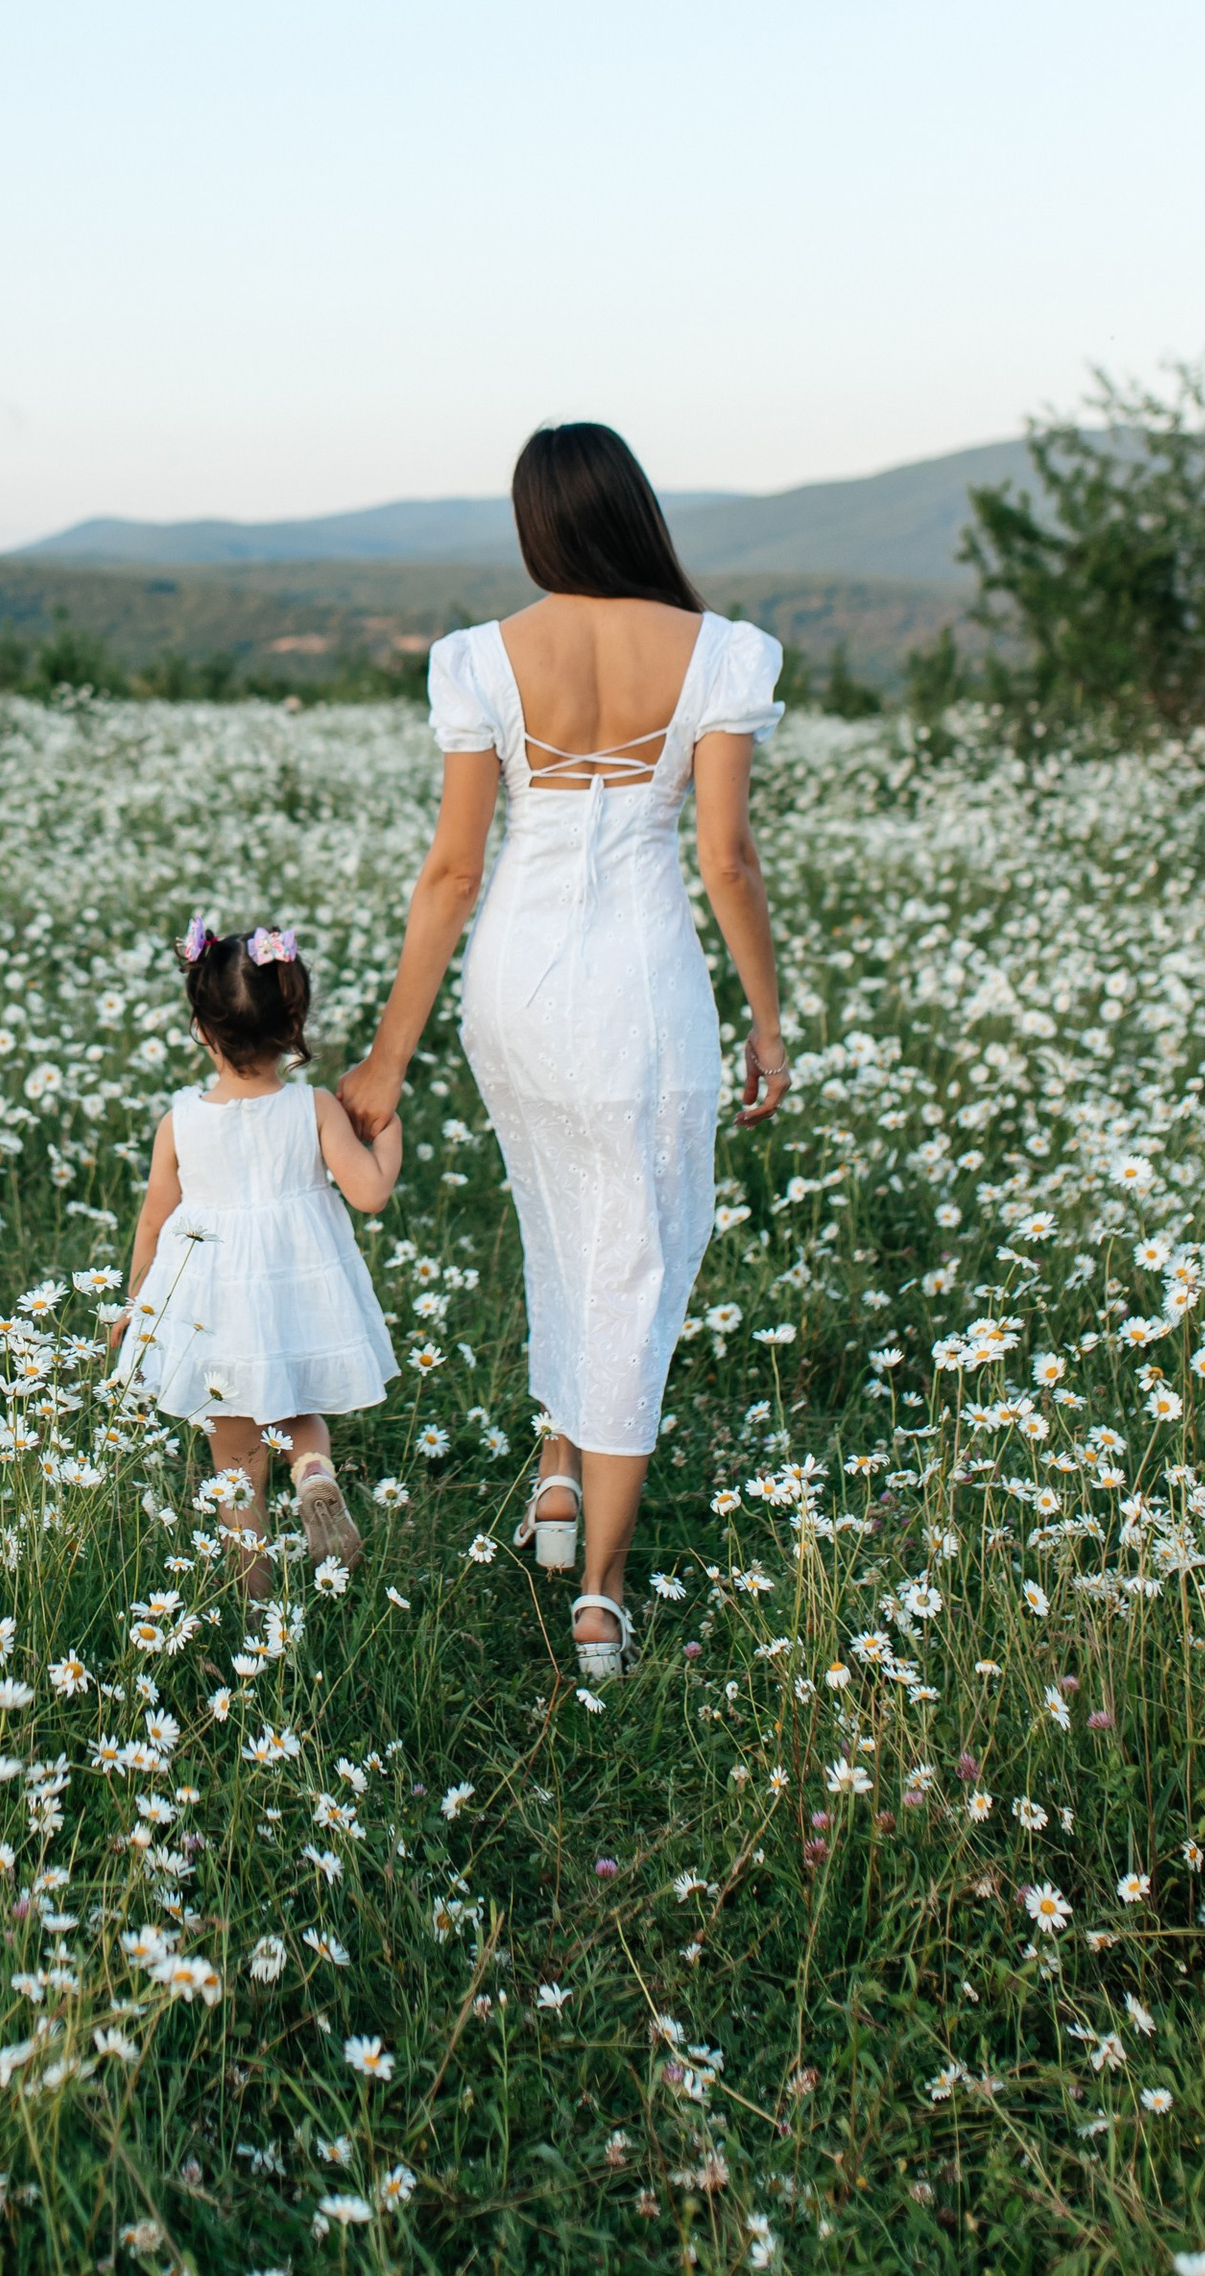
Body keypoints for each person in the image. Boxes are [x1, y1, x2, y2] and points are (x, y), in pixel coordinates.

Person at [337, 421, 788, 1680]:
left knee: (559, 1221)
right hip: (643, 997)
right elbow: (725, 861)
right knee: (632, 1263)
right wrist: (764, 1015)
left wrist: (386, 1061)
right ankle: (598, 1591)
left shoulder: (481, 660)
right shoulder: (719, 656)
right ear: (633, 512)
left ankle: (554, 1474)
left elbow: (452, 872)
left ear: (538, 525)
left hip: (517, 999)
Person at [115, 919, 401, 1597]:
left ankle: (255, 1602)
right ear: (293, 1017)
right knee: (299, 1409)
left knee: (236, 1456)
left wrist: (136, 1302)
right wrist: (385, 1130)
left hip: (215, 1305)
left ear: (200, 1026)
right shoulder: (315, 1107)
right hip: (297, 1298)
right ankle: (312, 1472)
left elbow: (155, 1217)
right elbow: (369, 1194)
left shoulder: (179, 1121)